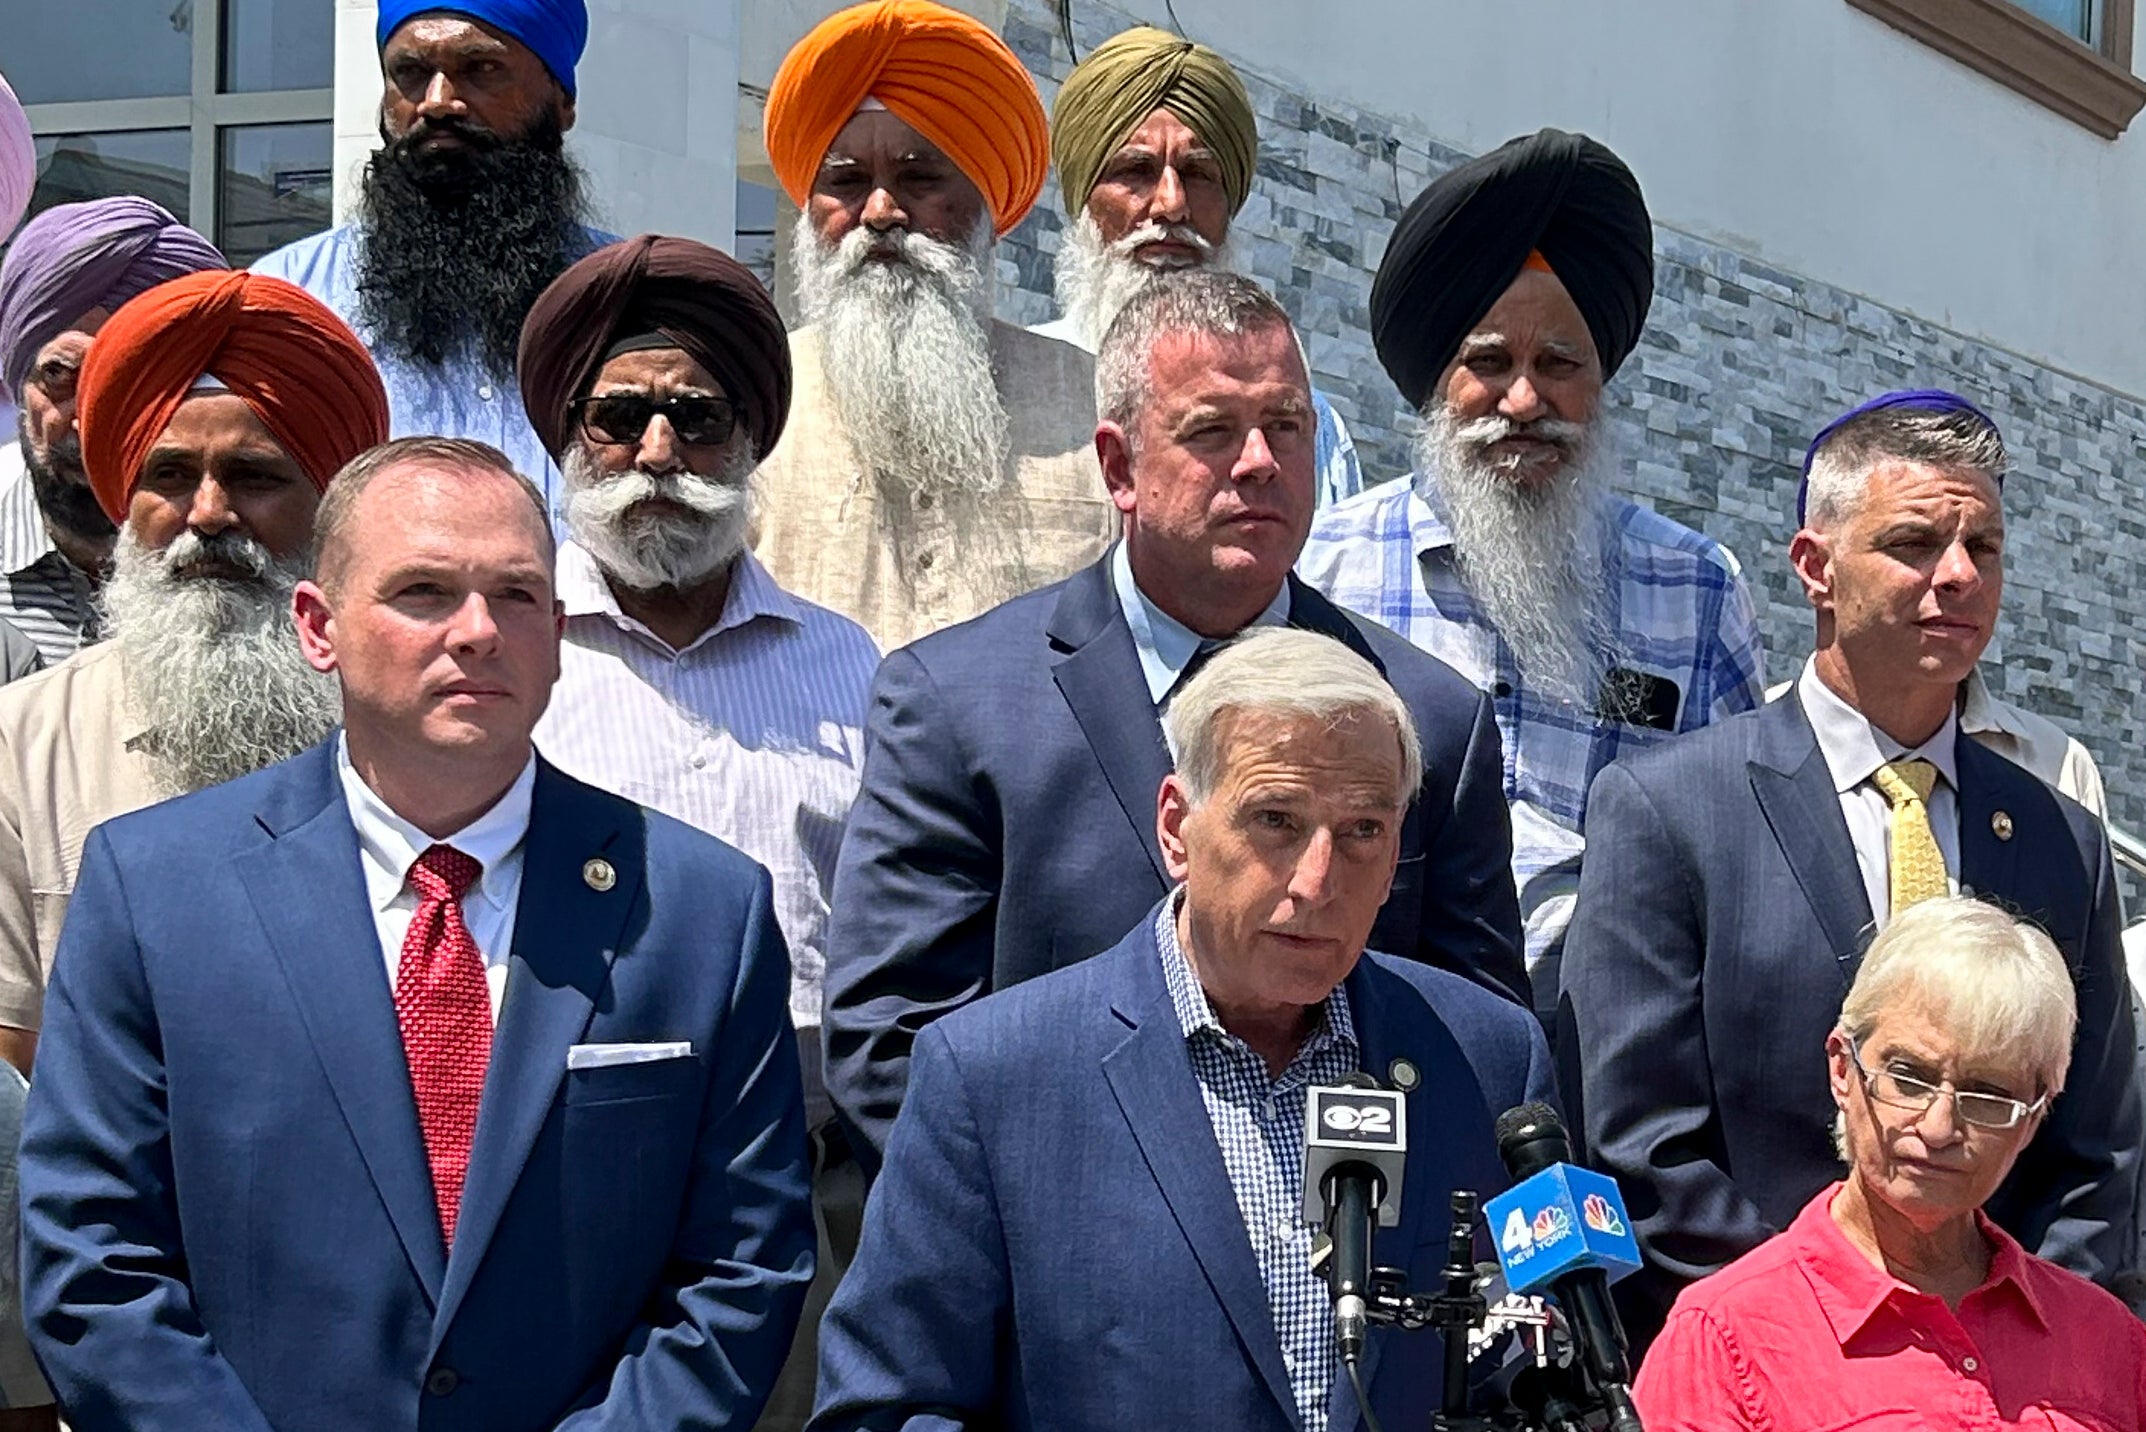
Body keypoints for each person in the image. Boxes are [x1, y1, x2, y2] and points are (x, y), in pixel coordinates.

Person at [21, 436, 814, 1431]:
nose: (479, 630)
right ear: (318, 625)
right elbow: (93, 1258)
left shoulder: (701, 908)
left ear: (557, 633)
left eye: (517, 595)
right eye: (425, 591)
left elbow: (742, 1264)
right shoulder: (154, 890)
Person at [824, 271, 1525, 1172]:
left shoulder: (1426, 718)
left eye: (1287, 426)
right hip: (1061, 1271)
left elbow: (1477, 1045)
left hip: (1340, 1274)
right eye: (1213, 432)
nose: (1261, 461)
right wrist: (1053, 1239)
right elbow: (894, 1044)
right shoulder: (956, 705)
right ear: (1119, 466)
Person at [813, 628, 1554, 1432]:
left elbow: (1543, 1374)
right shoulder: (993, 1076)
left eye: (1362, 831)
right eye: (1276, 820)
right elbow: (891, 1407)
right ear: (1177, 828)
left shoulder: (1487, 1060)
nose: (1317, 880)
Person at [1559, 390, 2142, 1352]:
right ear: (1815, 568)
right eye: (1914, 543)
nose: (1957, 575)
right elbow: (1639, 1145)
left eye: (1983, 549)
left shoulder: (2058, 839)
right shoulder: (1669, 810)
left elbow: (2096, 1151)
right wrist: (1827, 1333)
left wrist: (2016, 1339)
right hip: (1758, 1363)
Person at [516, 236, 880, 1430]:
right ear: (568, 438)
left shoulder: (847, 662)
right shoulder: (508, 654)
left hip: (806, 1167)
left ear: (751, 441)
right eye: (620, 417)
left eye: (698, 415)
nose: (658, 453)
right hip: (553, 1169)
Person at [1299, 129, 1765, 1020]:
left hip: (1611, 1048)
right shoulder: (1327, 570)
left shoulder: (1698, 592)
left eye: (1559, 365)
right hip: (1363, 1021)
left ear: (1602, 381)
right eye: (1489, 362)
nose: (1523, 401)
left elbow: (1734, 853)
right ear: (1439, 376)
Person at [0, 270, 389, 1075]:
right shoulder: (19, 747)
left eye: (254, 476)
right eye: (169, 477)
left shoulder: (407, 720)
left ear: (329, 505)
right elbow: (16, 1068)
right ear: (121, 497)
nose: (208, 514)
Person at [1633, 897, 2146, 1429]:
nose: (1938, 1126)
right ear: (1841, 1070)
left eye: (1986, 1093)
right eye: (1908, 1076)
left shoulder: (2107, 1341)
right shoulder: (1725, 1339)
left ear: (2034, 1117)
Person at [751, 0, 1116, 650]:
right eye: (847, 181)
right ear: (809, 211)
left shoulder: (1094, 400)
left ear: (986, 208)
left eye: (920, 177)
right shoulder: (752, 397)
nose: (883, 211)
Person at [256, 0, 606, 510]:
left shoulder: (627, 296)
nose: (439, 102)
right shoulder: (291, 297)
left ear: (561, 101)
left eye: (481, 69)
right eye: (412, 74)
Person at [1038, 25, 1361, 508]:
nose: (1171, 205)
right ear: (1084, 202)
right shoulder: (1024, 384)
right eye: (1136, 171)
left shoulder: (1304, 426)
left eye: (1198, 174)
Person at [0, 199, 226, 660]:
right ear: (18, 381)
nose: (91, 421)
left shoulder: (243, 557)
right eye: (61, 376)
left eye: (132, 381)